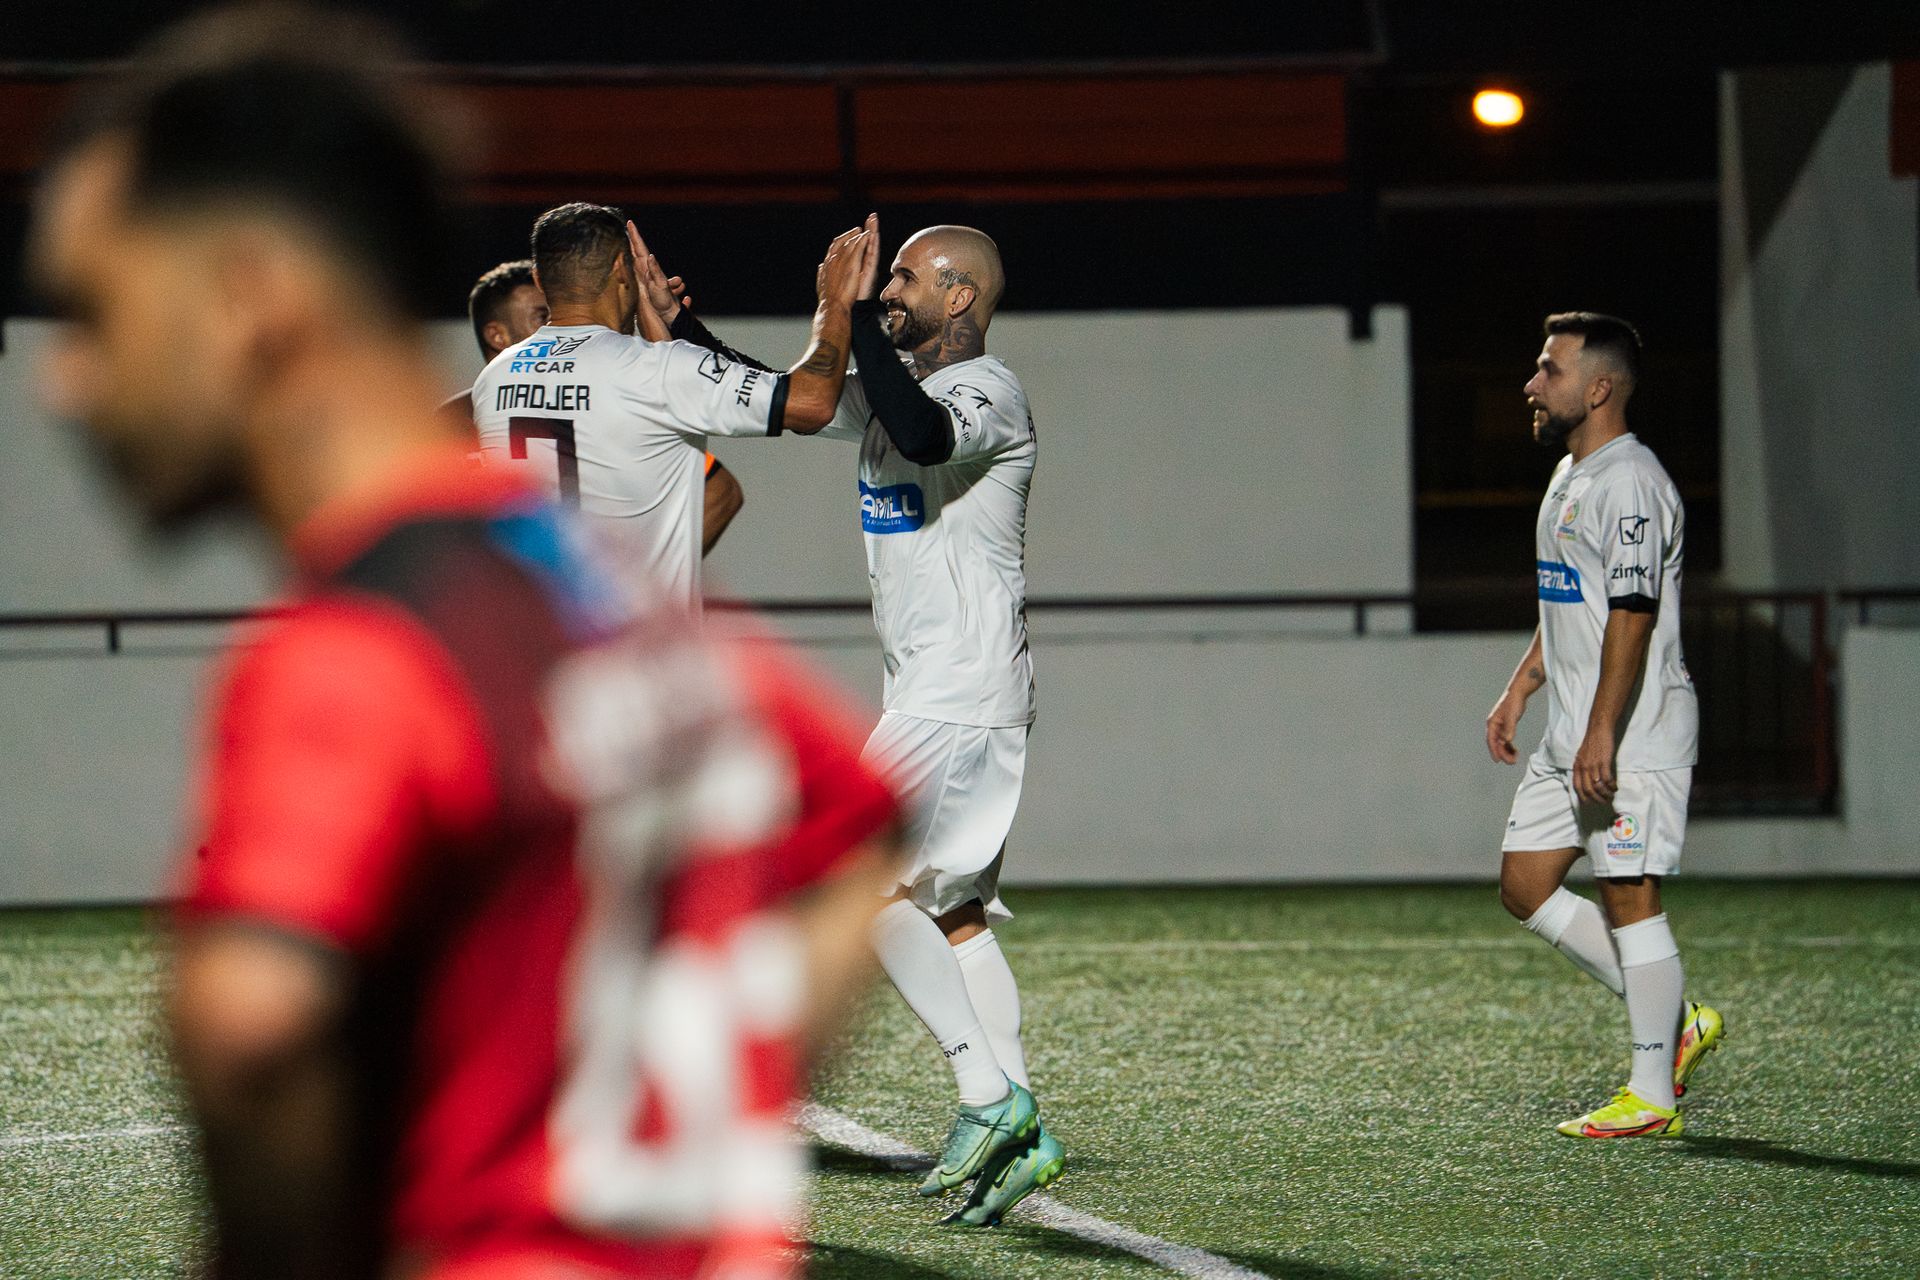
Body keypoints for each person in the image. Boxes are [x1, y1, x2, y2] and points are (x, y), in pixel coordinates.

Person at [28, 9, 898, 1277]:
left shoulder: (364, 644)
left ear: (249, 292)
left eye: (94, 310)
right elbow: (849, 834)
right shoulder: (577, 589)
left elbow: (252, 1031)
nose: (63, 377)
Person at [642, 222, 1055, 1223]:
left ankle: (988, 1096)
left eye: (911, 276)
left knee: (843, 873)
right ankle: (1020, 1122)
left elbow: (921, 434)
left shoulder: (985, 391)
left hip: (959, 690)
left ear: (962, 298)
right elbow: (785, 392)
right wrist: (680, 324)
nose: (896, 289)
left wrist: (854, 311)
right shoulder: (896, 384)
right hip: (936, 689)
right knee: (947, 912)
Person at [1485, 312, 1723, 1139]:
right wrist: (1522, 689)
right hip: (1574, 735)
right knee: (1524, 886)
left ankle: (1652, 1094)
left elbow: (1632, 613)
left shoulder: (1631, 483)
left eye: (1548, 369)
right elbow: (1568, 604)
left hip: (1631, 736)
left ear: (1598, 388)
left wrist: (1602, 733)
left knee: (1629, 894)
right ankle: (1678, 1020)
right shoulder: (1570, 474)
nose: (1532, 383)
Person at [472, 204, 869, 608]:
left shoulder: (494, 378)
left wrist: (656, 313)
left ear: (540, 279)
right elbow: (812, 401)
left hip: (540, 642)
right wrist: (834, 303)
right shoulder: (658, 370)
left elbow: (643, 402)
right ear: (620, 270)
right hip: (633, 652)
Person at [458, 259, 743, 555]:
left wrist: (640, 588)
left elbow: (719, 493)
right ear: (497, 335)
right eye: (543, 317)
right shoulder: (447, 423)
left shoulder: (596, 398)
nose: (557, 327)